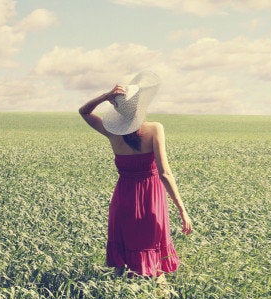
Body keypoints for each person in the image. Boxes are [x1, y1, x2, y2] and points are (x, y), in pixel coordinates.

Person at [78, 71, 192, 280]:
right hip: (152, 200)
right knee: (157, 267)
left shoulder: (112, 132)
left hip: (124, 200)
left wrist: (106, 96)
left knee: (121, 266)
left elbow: (84, 111)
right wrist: (182, 211)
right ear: (141, 107)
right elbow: (165, 173)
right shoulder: (155, 128)